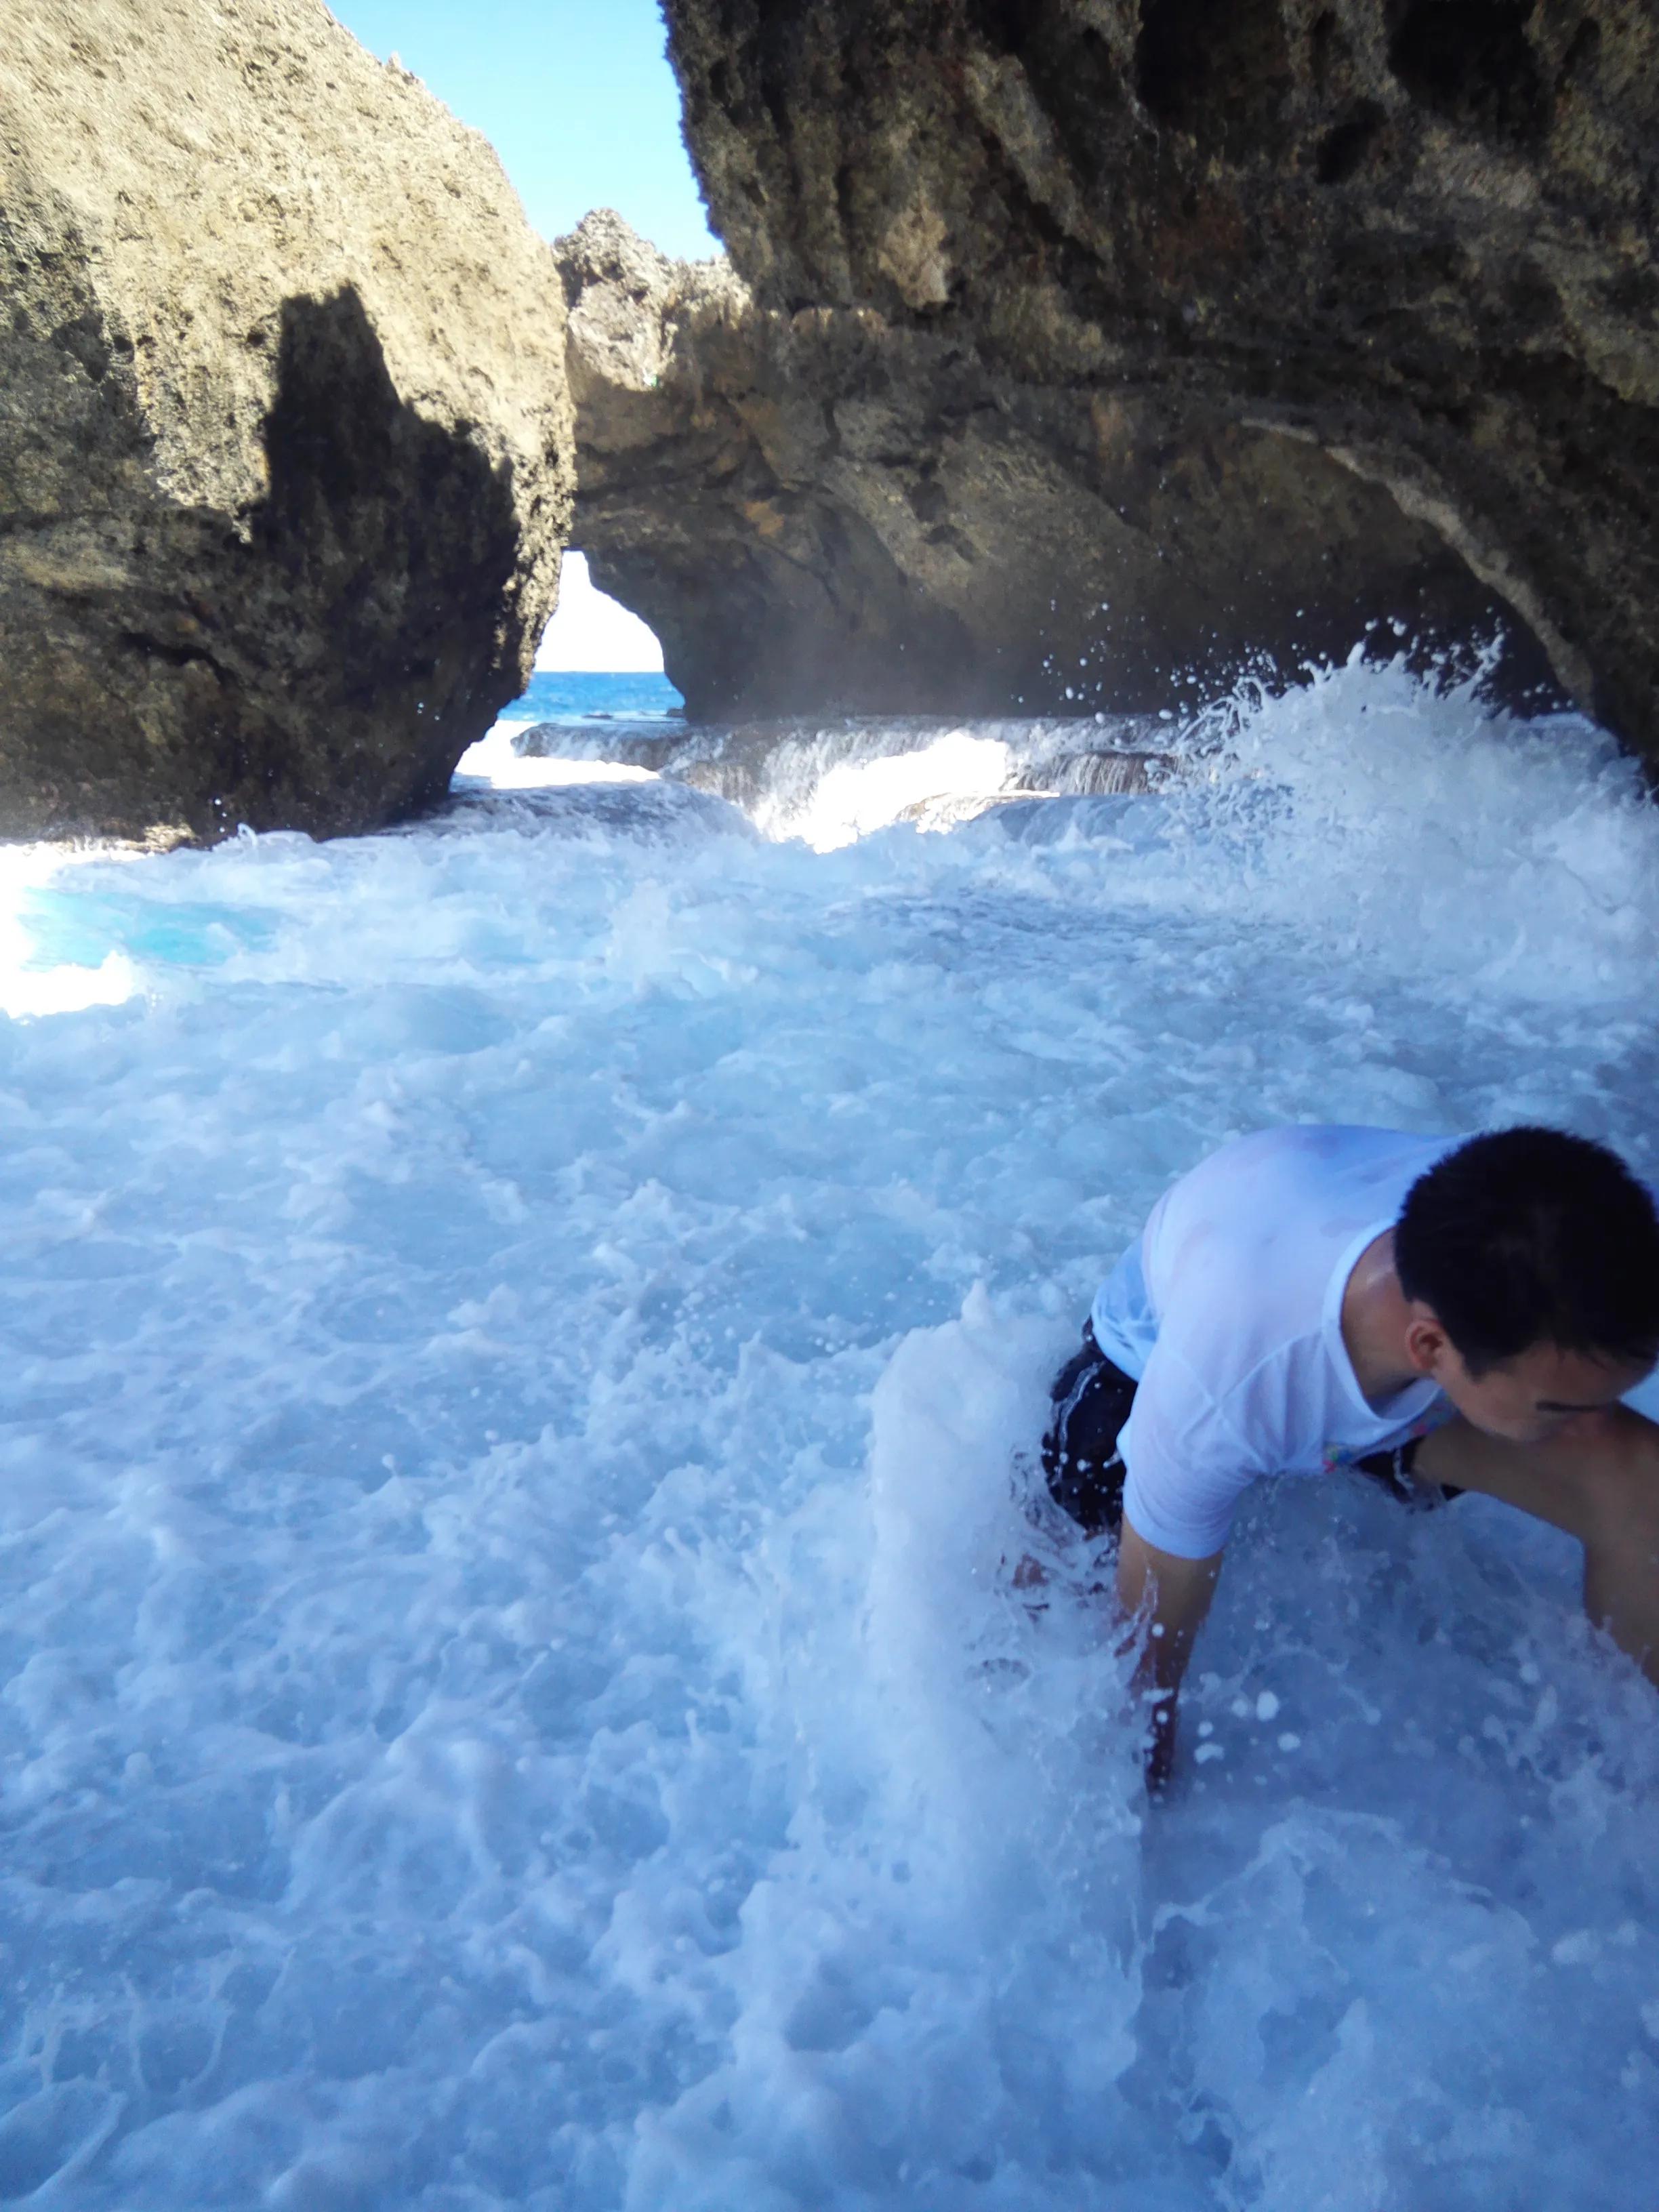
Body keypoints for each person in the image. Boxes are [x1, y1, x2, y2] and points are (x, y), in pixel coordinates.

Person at [1042, 1124, 1659, 1788]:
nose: (1588, 1422)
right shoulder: (1229, 1379)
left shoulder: (1611, 1247)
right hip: (1144, 1363)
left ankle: (1631, 1761)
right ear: (1430, 1350)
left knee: (1637, 1475)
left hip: (1352, 1314)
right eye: (1559, 1408)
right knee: (1070, 1569)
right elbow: (1149, 1637)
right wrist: (1147, 1764)